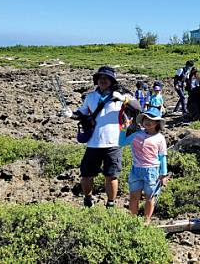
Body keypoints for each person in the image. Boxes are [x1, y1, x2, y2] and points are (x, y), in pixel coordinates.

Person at [66, 66, 136, 208]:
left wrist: (124, 100)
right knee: (86, 174)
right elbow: (82, 113)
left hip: (114, 142)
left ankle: (110, 204)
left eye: (106, 78)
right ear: (96, 80)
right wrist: (70, 114)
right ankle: (87, 200)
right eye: (100, 78)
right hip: (93, 143)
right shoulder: (90, 96)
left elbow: (138, 107)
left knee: (111, 175)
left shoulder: (121, 95)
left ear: (112, 80)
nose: (103, 80)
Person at [119, 112, 168, 224]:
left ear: (157, 123)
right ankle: (132, 220)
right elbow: (121, 142)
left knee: (150, 197)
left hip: (152, 171)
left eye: (151, 119)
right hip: (136, 170)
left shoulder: (160, 138)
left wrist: (163, 174)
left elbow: (162, 156)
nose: (148, 121)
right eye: (145, 119)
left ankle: (146, 221)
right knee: (134, 197)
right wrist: (124, 129)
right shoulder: (136, 135)